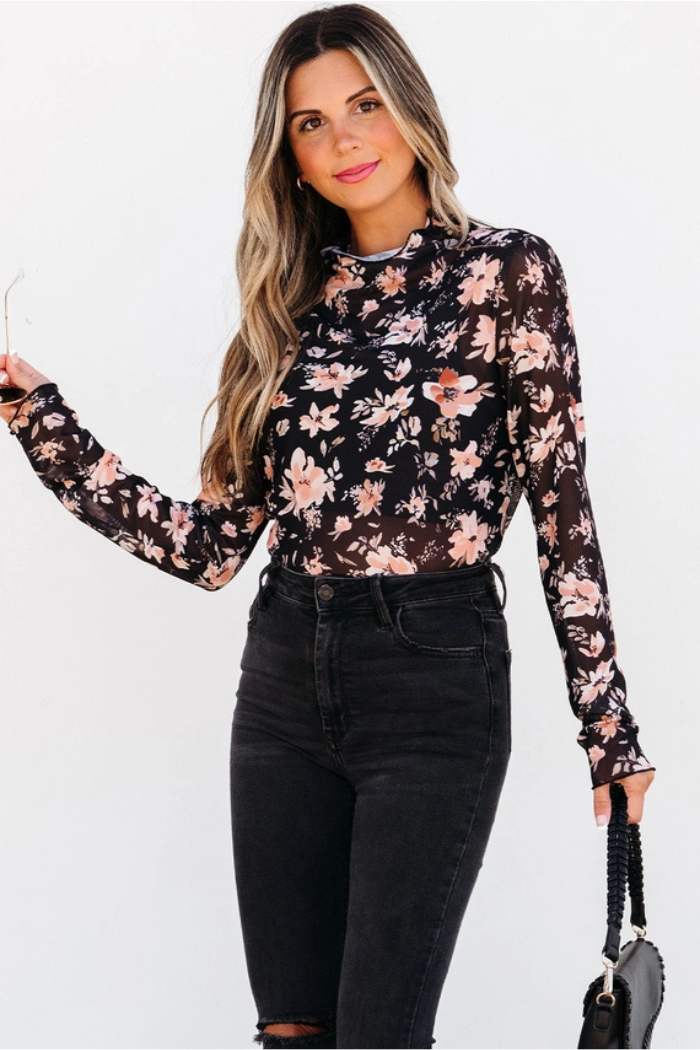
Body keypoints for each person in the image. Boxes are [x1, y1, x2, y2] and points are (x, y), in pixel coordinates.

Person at [1, 4, 656, 1048]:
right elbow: (210, 550)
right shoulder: (288, 308)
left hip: (432, 683)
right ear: (290, 158)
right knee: (291, 1036)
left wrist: (607, 727)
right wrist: (42, 420)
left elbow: (562, 509)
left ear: (411, 112)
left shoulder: (509, 273)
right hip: (281, 687)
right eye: (310, 123)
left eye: (364, 105)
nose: (345, 139)